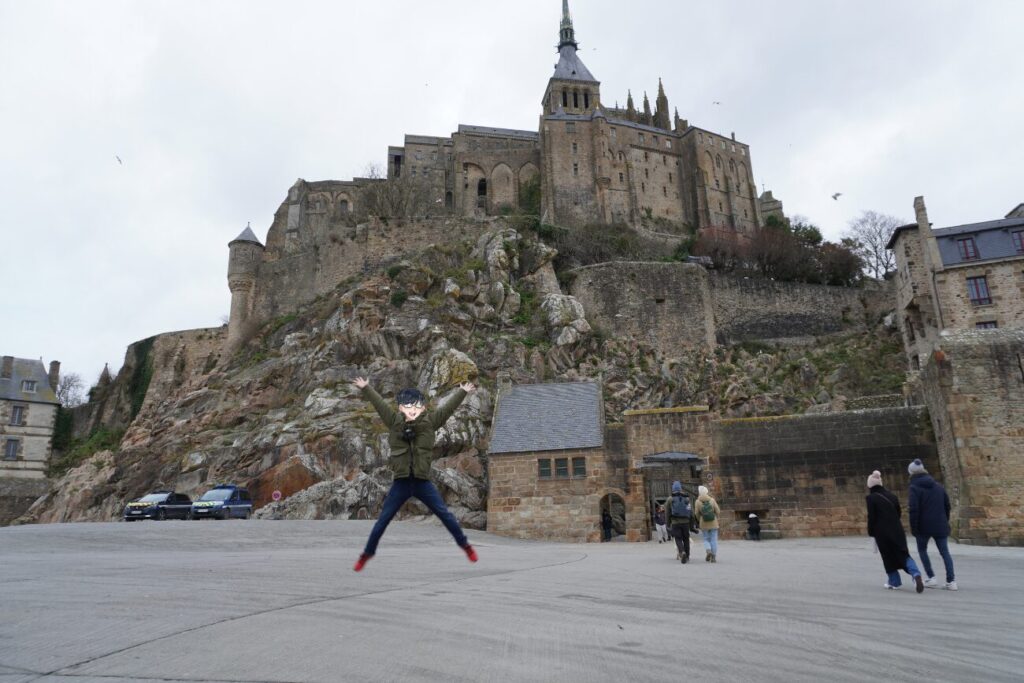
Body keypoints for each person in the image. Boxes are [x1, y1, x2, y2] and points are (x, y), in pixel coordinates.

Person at [351, 377, 478, 572]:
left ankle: (465, 546)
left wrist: (462, 392)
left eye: (416, 406)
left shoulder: (430, 423)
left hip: (422, 482)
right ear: (401, 408)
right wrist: (366, 387)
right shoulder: (394, 422)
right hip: (401, 482)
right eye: (407, 406)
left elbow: (447, 409)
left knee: (444, 514)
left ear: (423, 407)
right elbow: (380, 405)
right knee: (383, 520)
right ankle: (366, 554)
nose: (412, 409)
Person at [866, 470, 924, 592]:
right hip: (897, 529)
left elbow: (872, 517)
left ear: (870, 485)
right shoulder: (892, 496)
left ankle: (894, 581)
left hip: (882, 532)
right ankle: (916, 574)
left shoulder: (871, 498)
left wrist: (871, 531)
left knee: (887, 556)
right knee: (903, 553)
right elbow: (898, 513)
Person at [908, 459, 957, 591]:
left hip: (923, 526)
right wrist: (944, 520)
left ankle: (931, 577)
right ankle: (951, 581)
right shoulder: (938, 486)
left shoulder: (914, 487)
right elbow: (947, 506)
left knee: (922, 550)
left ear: (911, 473)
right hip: (940, 524)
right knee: (945, 552)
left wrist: (914, 527)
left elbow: (914, 509)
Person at [666, 481, 693, 563]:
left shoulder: (670, 499)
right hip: (686, 522)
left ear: (673, 489)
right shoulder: (687, 498)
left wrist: (667, 524)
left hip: (675, 522)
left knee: (678, 538)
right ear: (680, 488)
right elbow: (690, 512)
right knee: (686, 539)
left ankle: (682, 552)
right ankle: (687, 555)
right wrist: (692, 524)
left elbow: (667, 513)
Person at [695, 485, 721, 563]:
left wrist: (700, 519)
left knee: (706, 539)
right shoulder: (712, 500)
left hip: (703, 523)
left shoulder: (697, 501)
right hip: (713, 522)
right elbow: (718, 511)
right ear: (706, 492)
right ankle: (713, 556)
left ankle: (708, 550)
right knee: (714, 540)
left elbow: (696, 513)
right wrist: (715, 517)